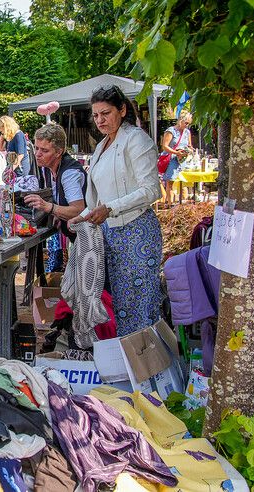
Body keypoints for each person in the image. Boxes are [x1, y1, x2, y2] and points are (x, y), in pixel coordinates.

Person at [67, 85, 162, 337]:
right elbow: (99, 196)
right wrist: (84, 214)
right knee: (121, 305)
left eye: (105, 113)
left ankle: (149, 371)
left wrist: (111, 208)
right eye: (96, 115)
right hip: (111, 235)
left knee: (139, 307)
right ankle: (129, 369)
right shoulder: (101, 146)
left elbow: (152, 190)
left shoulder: (136, 139)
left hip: (137, 233)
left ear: (121, 110)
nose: (100, 120)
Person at [24, 123, 87, 241]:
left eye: (44, 150)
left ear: (59, 152)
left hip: (89, 238)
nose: (37, 154)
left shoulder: (69, 173)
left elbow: (79, 210)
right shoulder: (46, 168)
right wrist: (59, 214)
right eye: (36, 148)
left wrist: (48, 207)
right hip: (76, 236)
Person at [161, 110, 194, 204]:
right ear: (180, 120)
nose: (187, 125)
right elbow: (165, 146)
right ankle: (170, 204)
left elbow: (189, 145)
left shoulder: (187, 132)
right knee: (170, 182)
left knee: (183, 183)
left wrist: (190, 150)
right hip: (172, 159)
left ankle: (181, 204)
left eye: (189, 123)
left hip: (183, 160)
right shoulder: (171, 131)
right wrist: (176, 152)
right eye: (186, 123)